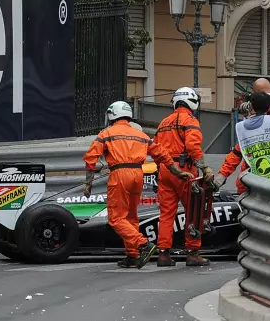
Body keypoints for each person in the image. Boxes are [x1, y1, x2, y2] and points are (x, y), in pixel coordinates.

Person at [83, 101, 191, 269]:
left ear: (112, 115)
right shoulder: (140, 134)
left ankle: (143, 245)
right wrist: (176, 171)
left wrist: (88, 183)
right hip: (137, 175)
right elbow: (161, 152)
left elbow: (91, 158)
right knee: (131, 217)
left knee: (117, 218)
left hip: (119, 174)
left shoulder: (106, 133)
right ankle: (133, 255)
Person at [154, 86, 213, 267]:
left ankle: (163, 254)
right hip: (185, 171)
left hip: (166, 170)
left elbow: (155, 149)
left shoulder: (163, 122)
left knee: (166, 214)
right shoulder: (190, 120)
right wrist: (205, 168)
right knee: (193, 212)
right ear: (192, 102)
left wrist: (163, 168)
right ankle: (192, 253)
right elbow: (193, 146)